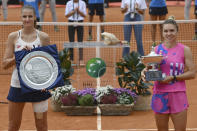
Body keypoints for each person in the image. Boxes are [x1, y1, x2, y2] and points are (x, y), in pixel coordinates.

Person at [142, 16, 196, 131]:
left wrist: (173, 77)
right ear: (162, 32)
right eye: (165, 31)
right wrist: (144, 73)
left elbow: (192, 73)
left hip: (178, 95)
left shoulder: (185, 50)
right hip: (160, 94)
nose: (168, 33)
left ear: (177, 31)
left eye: (172, 30)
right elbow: (148, 68)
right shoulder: (156, 50)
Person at [2, 5, 51, 131]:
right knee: (13, 126)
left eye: (30, 16)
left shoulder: (43, 37)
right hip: (18, 86)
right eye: (24, 16)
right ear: (21, 18)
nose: (27, 19)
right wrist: (18, 57)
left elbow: (50, 64)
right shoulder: (13, 37)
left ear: (35, 18)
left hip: (39, 87)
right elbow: (4, 64)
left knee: (41, 126)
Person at [65, 0, 86, 65]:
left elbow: (84, 15)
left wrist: (78, 11)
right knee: (71, 41)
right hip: (71, 22)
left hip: (80, 22)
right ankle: (71, 59)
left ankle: (81, 59)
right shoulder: (69, 3)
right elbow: (66, 15)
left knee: (80, 41)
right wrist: (74, 11)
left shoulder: (82, 3)